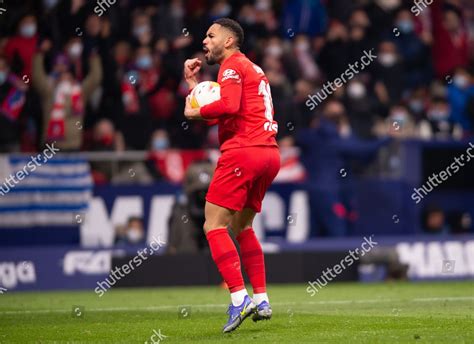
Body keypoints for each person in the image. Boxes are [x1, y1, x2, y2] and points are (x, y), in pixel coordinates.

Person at [183, 18, 280, 333]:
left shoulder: (230, 66)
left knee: (213, 224)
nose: (204, 41)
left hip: (243, 153)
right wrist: (192, 85)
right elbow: (230, 112)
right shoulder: (251, 68)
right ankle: (262, 299)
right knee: (242, 226)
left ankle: (239, 298)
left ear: (228, 41)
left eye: (210, 35)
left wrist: (194, 111)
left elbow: (227, 104)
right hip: (268, 154)